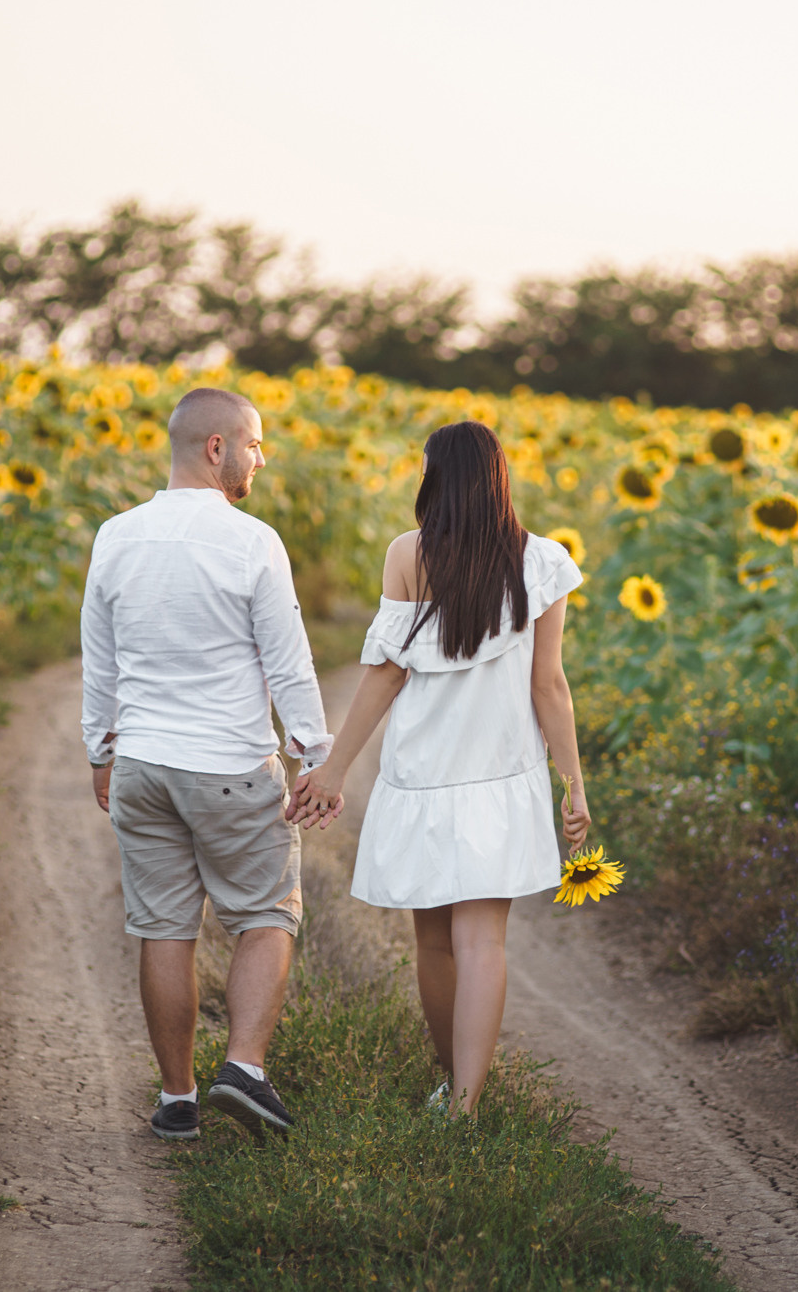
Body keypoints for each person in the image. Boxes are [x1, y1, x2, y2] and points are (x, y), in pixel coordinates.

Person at [290, 420, 591, 1117]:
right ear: (497, 477)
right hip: (502, 774)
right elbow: (551, 685)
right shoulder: (543, 561)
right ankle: (466, 1101)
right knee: (483, 938)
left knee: (433, 939)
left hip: (422, 773)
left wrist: (334, 767)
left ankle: (450, 1082)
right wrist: (572, 780)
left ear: (437, 479)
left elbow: (384, 674)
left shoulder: (408, 554)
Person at [80, 387, 332, 1142]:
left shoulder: (115, 535)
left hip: (143, 765)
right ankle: (245, 1069)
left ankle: (177, 1098)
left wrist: (101, 749)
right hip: (228, 762)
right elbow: (288, 664)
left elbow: (101, 659)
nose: (262, 457)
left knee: (164, 927)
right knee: (264, 914)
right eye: (255, 444)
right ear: (215, 448)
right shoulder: (252, 540)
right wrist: (315, 754)